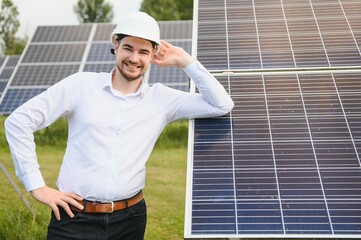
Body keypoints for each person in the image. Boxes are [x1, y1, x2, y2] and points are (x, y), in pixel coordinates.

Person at [4, 12, 234, 240]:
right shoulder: (81, 85)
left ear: (153, 54)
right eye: (128, 48)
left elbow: (221, 105)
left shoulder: (162, 99)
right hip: (73, 218)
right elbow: (18, 121)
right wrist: (37, 187)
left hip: (130, 219)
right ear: (116, 44)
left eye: (143, 51)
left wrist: (186, 61)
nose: (134, 58)